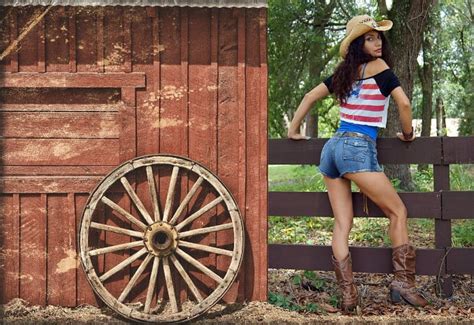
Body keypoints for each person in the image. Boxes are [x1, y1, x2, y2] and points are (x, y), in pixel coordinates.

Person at [287, 15, 428, 312]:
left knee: (342, 223)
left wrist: (292, 129)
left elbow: (310, 95)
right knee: (398, 211)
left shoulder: (344, 74)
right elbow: (403, 103)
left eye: (379, 37)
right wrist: (407, 133)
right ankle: (402, 283)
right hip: (356, 146)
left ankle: (349, 296)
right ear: (356, 44)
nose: (377, 43)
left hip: (331, 150)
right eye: (369, 38)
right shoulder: (381, 69)